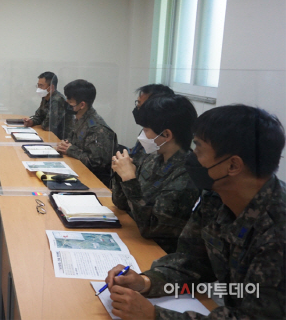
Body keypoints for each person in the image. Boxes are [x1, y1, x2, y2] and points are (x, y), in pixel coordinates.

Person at [105, 105, 285, 320]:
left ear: (233, 165)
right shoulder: (217, 198)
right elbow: (191, 263)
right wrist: (146, 282)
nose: (192, 156)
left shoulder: (277, 230)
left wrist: (155, 316)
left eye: (199, 149)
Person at [111, 95, 199, 253]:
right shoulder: (153, 158)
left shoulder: (187, 174)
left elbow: (152, 228)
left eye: (145, 130)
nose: (141, 136)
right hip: (133, 237)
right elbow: (121, 203)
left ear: (166, 135)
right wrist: (120, 174)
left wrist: (130, 180)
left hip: (158, 251)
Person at [57, 79, 117, 186]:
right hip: (76, 171)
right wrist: (64, 145)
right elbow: (71, 142)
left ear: (82, 105)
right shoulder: (79, 119)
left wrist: (70, 150)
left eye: (70, 101)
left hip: (93, 182)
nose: (66, 103)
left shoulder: (97, 128)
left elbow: (96, 164)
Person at [129, 84, 175, 165]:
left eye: (142, 107)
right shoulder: (147, 132)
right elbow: (136, 157)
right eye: (138, 104)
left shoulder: (160, 140)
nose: (138, 109)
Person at [22, 71, 73, 139]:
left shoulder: (57, 100)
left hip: (61, 139)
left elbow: (48, 126)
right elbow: (39, 115)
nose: (38, 88)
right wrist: (32, 121)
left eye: (41, 86)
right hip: (50, 135)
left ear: (51, 87)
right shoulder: (45, 97)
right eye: (38, 85)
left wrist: (41, 121)